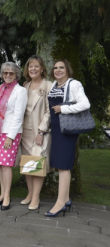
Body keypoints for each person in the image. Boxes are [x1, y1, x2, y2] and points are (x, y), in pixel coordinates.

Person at [45, 59, 90, 217]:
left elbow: (85, 104)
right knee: (59, 164)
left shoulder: (74, 84)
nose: (57, 70)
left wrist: (63, 109)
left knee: (64, 165)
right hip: (56, 130)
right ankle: (66, 199)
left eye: (61, 67)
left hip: (68, 130)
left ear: (67, 69)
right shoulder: (53, 85)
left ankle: (60, 203)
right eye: (55, 68)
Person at [0, 62, 27, 211]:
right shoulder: (1, 89)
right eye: (5, 73)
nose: (8, 75)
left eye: (11, 73)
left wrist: (10, 137)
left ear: (16, 75)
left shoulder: (20, 91)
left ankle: (7, 196)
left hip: (10, 132)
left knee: (6, 165)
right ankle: (2, 193)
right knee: (0, 164)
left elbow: (18, 116)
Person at [20, 55, 53, 211]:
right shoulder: (24, 86)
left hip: (39, 131)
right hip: (24, 131)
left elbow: (49, 111)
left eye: (36, 66)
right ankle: (30, 194)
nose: (33, 69)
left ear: (42, 69)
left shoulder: (48, 85)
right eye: (30, 66)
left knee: (37, 163)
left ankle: (36, 197)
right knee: (28, 163)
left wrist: (41, 131)